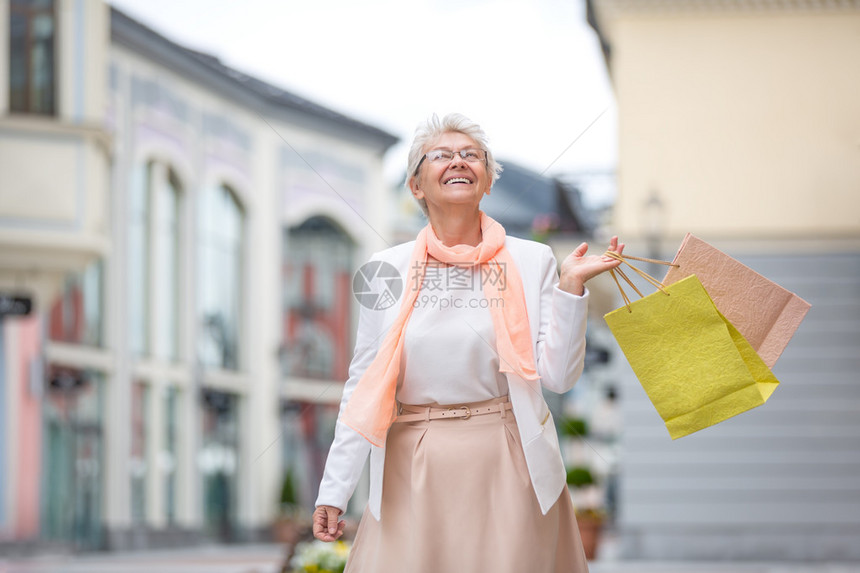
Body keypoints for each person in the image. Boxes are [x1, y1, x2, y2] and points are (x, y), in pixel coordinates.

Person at [312, 113, 624, 572]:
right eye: (441, 155)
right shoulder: (387, 269)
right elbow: (363, 387)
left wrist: (570, 288)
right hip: (412, 463)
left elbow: (557, 377)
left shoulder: (532, 259)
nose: (459, 161)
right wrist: (334, 490)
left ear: (487, 181)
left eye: (471, 154)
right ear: (416, 186)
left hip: (508, 456)